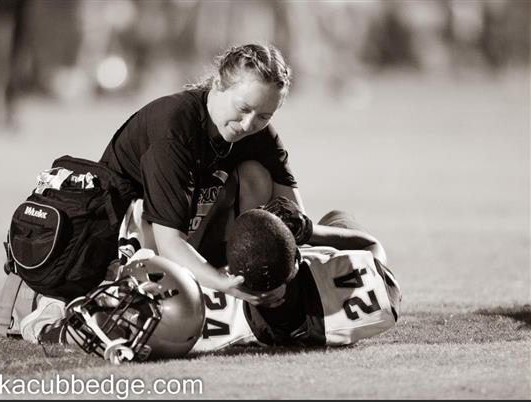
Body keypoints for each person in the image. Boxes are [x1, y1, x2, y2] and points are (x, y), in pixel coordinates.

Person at [99, 43, 300, 306]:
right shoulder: (174, 127)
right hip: (132, 240)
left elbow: (294, 214)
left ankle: (232, 268)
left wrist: (285, 261)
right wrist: (223, 285)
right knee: (141, 214)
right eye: (243, 108)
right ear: (218, 84)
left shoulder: (258, 133)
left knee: (256, 176)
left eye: (263, 115)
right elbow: (169, 242)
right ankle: (194, 281)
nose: (249, 124)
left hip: (190, 234)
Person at [192, 205, 401, 352]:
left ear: (234, 276)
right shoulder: (373, 307)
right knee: (337, 216)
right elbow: (372, 249)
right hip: (319, 277)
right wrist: (307, 232)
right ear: (297, 261)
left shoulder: (205, 315)